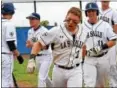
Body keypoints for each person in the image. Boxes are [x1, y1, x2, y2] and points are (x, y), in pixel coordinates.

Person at [27, 7, 97, 87]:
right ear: (66, 17)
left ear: (79, 21)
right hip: (58, 70)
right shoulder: (56, 31)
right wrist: (31, 59)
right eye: (69, 19)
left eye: (74, 21)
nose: (70, 23)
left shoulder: (84, 31)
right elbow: (38, 43)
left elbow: (85, 47)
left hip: (76, 70)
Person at [83, 2, 117, 87]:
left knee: (101, 85)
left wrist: (100, 48)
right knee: (89, 84)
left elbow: (113, 40)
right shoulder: (82, 26)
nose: (91, 13)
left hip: (103, 58)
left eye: (93, 11)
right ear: (86, 13)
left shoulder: (105, 25)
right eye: (88, 11)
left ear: (97, 12)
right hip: (89, 59)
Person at [26, 12, 53, 87]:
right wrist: (31, 60)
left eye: (32, 19)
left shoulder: (44, 31)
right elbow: (29, 45)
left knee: (41, 78)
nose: (30, 20)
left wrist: (32, 44)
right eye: (29, 19)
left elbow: (46, 47)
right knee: (45, 77)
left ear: (38, 20)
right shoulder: (30, 31)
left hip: (46, 56)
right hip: (37, 57)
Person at [1, 3, 24, 87]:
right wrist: (18, 55)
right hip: (5, 56)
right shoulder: (9, 24)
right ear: (12, 12)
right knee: (5, 82)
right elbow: (10, 43)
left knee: (6, 79)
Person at [99, 1, 117, 87]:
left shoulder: (113, 12)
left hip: (110, 41)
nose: (104, 2)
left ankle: (113, 84)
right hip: (98, 41)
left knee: (112, 64)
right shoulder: (96, 11)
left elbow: (116, 27)